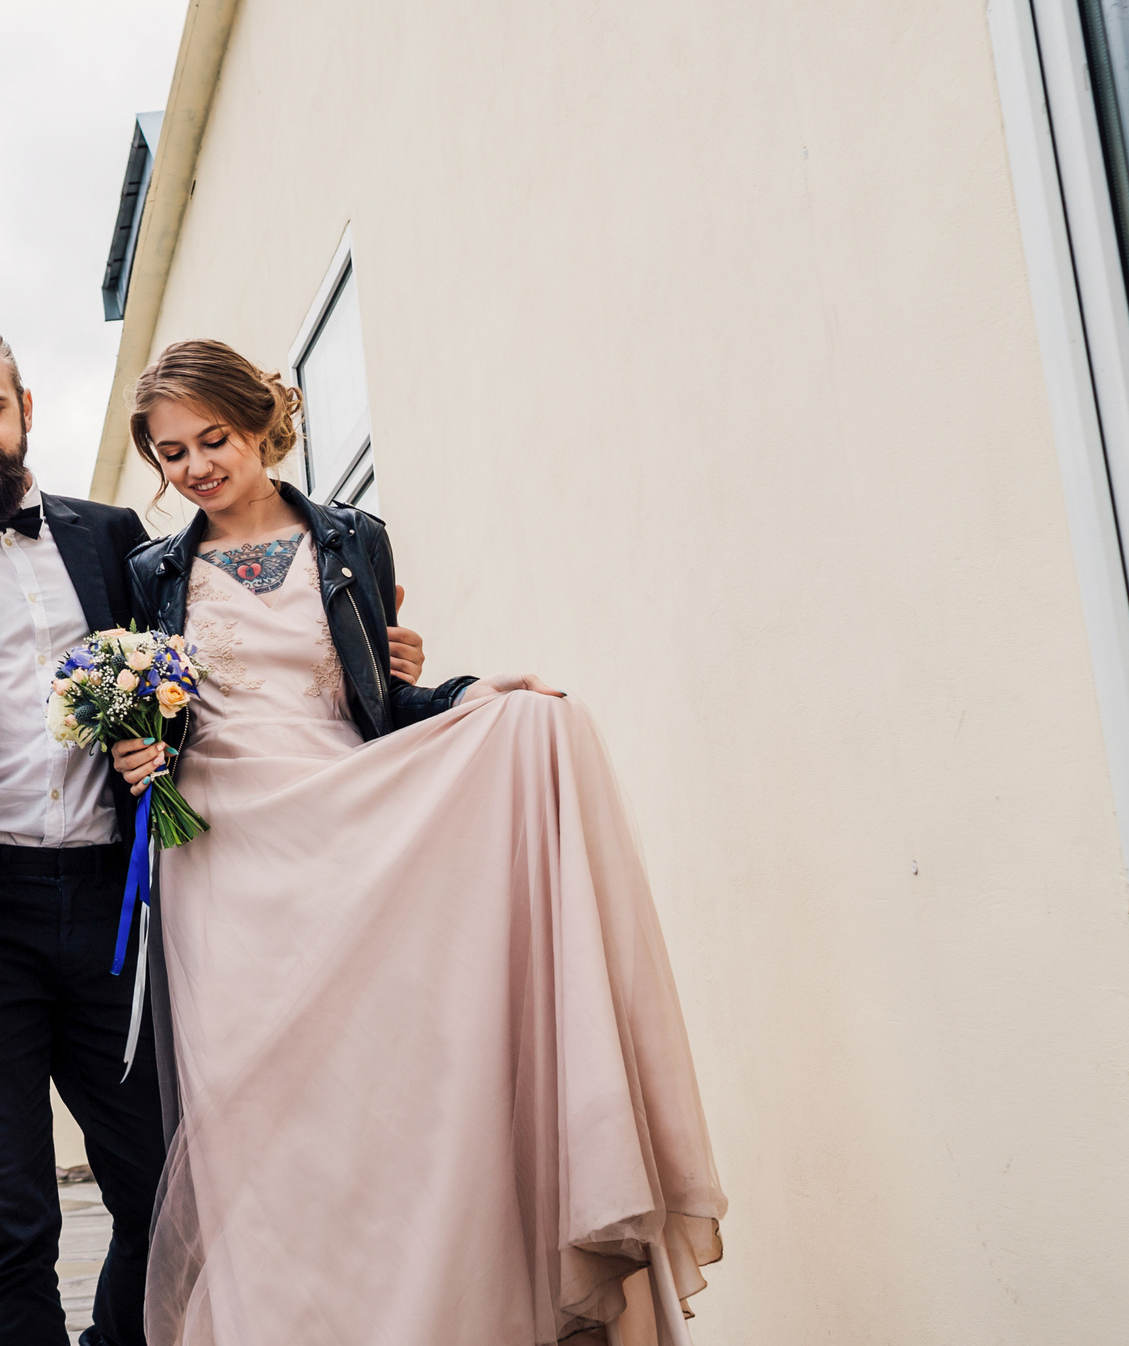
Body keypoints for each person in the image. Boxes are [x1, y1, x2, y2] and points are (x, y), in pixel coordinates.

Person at [0, 321, 424, 1346]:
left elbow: (221, 664)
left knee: (167, 1193)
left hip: (128, 911)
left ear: (24, 412)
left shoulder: (119, 546)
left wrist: (378, 653)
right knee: (10, 1220)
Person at [110, 338, 726, 1346]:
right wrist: (136, 753)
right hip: (225, 854)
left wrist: (468, 696)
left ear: (262, 425)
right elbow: (146, 708)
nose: (194, 468)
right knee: (260, 1122)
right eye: (171, 454)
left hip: (348, 821)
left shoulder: (355, 539)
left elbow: (380, 700)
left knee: (381, 1093)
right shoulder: (149, 573)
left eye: (212, 439)